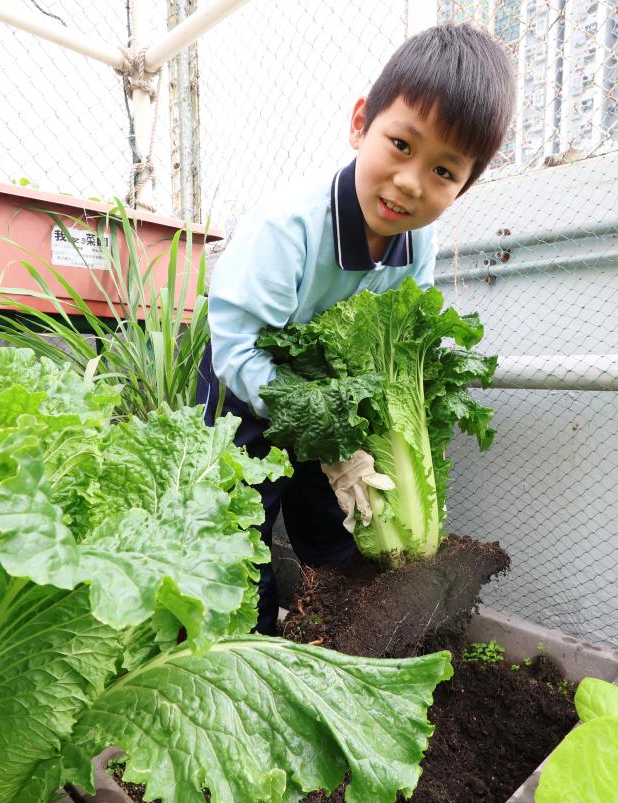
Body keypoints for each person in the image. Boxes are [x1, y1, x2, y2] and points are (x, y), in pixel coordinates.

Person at [197, 23, 516, 634]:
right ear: (360, 123)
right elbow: (238, 350)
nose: (410, 183)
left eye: (444, 171)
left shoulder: (417, 239)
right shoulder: (286, 227)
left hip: (336, 407)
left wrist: (356, 436)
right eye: (400, 145)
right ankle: (250, 646)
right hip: (246, 387)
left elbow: (401, 338)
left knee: (332, 524)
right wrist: (327, 429)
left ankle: (338, 637)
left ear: (464, 185)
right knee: (239, 529)